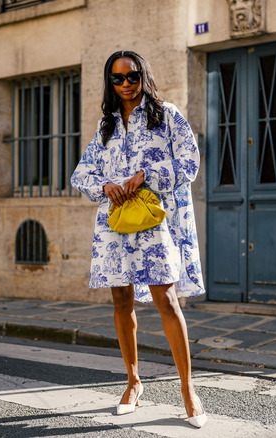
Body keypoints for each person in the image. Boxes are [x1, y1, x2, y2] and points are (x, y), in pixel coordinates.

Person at [71, 50, 207, 428]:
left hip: (154, 222)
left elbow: (190, 163)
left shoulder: (167, 115)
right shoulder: (105, 127)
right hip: (114, 225)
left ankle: (188, 390)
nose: (126, 85)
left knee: (166, 298)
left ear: (142, 76)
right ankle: (133, 382)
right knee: (120, 298)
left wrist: (147, 174)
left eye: (132, 77)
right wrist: (106, 184)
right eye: (117, 79)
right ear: (109, 82)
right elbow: (80, 175)